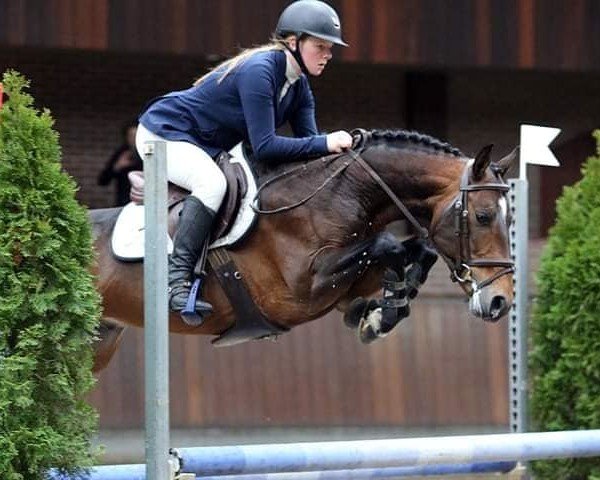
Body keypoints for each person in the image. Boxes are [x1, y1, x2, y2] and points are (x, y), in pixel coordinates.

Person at [135, 0, 353, 322]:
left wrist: (337, 151)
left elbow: (310, 154)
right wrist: (326, 141)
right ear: (293, 43)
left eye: (330, 48)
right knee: (211, 183)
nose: (328, 55)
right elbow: (265, 146)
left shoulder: (299, 88)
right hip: (164, 133)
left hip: (204, 144)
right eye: (320, 46)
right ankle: (176, 281)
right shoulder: (260, 71)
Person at [98, 122, 143, 206]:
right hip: (123, 202)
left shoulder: (147, 153)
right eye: (131, 136)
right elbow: (102, 180)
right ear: (126, 137)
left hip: (144, 201)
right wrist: (117, 166)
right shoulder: (121, 153)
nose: (133, 140)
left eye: (135, 136)